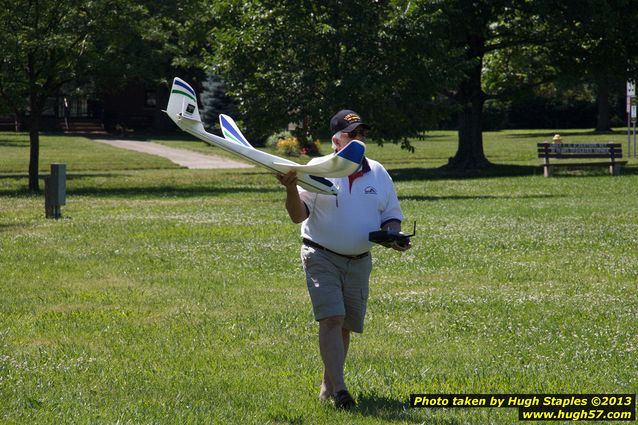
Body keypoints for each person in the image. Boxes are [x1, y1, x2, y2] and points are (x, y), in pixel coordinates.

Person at [276, 109, 410, 409]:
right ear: (337, 140)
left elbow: (391, 215)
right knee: (332, 318)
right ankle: (341, 391)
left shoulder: (377, 171)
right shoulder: (317, 168)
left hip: (360, 260)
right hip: (320, 253)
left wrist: (393, 235)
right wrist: (290, 189)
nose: (360, 139)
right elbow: (298, 216)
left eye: (362, 133)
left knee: (345, 325)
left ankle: (328, 384)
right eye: (353, 134)